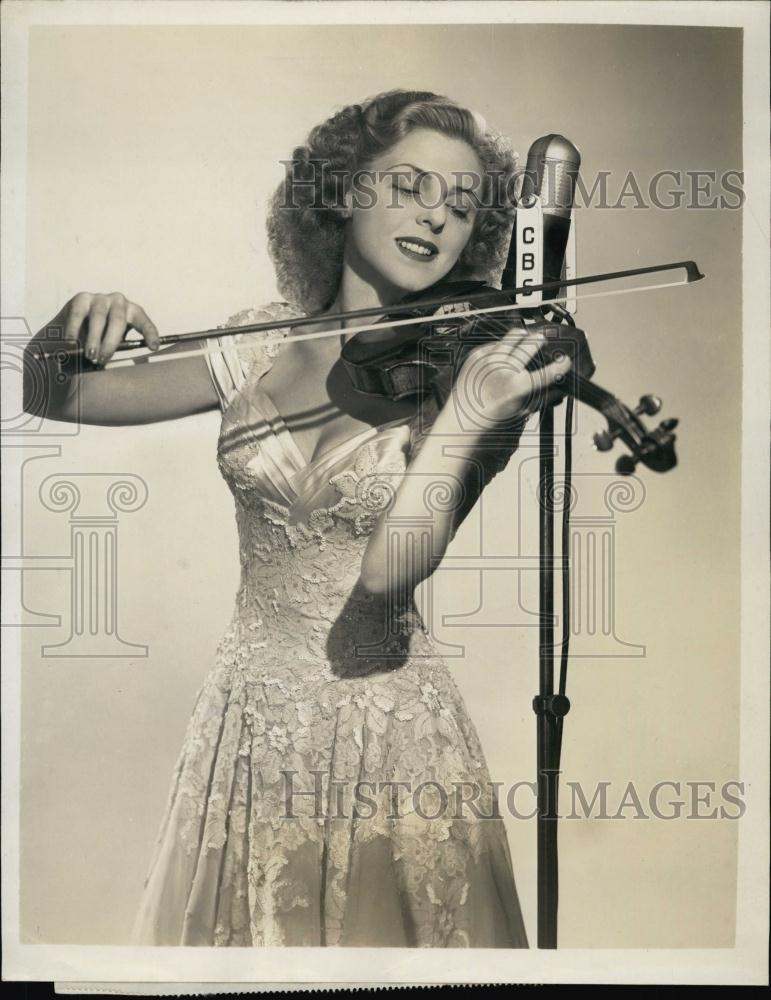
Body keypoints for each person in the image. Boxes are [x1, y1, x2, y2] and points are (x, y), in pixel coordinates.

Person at [23, 90, 571, 948]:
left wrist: (463, 418)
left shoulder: (473, 369)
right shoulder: (254, 343)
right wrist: (65, 327)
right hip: (247, 726)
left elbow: (391, 569)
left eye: (462, 208)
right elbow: (57, 394)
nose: (436, 218)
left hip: (391, 731)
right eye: (410, 187)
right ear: (344, 192)